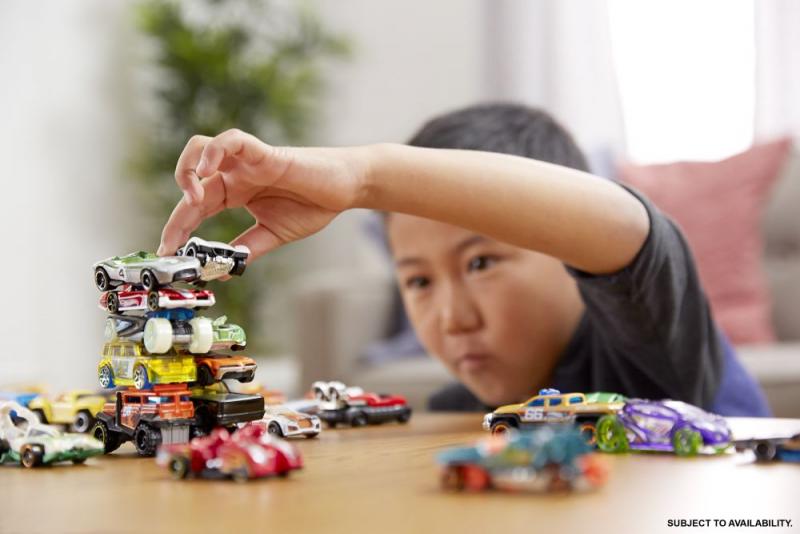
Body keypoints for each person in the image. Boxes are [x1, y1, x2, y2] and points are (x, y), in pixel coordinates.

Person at [158, 102, 769, 416]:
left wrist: (367, 177)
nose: (452, 319)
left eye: (480, 264)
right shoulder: (466, 410)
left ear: (565, 242)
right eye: (419, 281)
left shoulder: (652, 342)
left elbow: (629, 231)